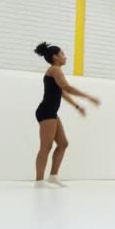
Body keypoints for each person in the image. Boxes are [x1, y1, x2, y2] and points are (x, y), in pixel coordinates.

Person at [33, 42, 100, 188]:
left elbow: (61, 92)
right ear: (55, 57)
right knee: (46, 146)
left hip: (51, 112)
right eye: (62, 54)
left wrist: (77, 106)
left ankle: (53, 177)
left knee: (63, 144)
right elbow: (67, 87)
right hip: (46, 111)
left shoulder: (55, 70)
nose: (65, 57)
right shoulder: (55, 70)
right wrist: (88, 97)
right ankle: (39, 182)